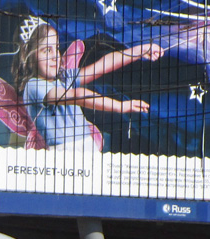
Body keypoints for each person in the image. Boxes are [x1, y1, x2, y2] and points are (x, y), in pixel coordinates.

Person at [13, 18, 164, 152]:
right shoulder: (33, 86)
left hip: (87, 146)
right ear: (30, 56)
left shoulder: (63, 79)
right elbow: (77, 95)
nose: (55, 56)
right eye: (47, 50)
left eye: (57, 48)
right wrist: (121, 106)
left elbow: (103, 65)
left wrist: (139, 51)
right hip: (63, 153)